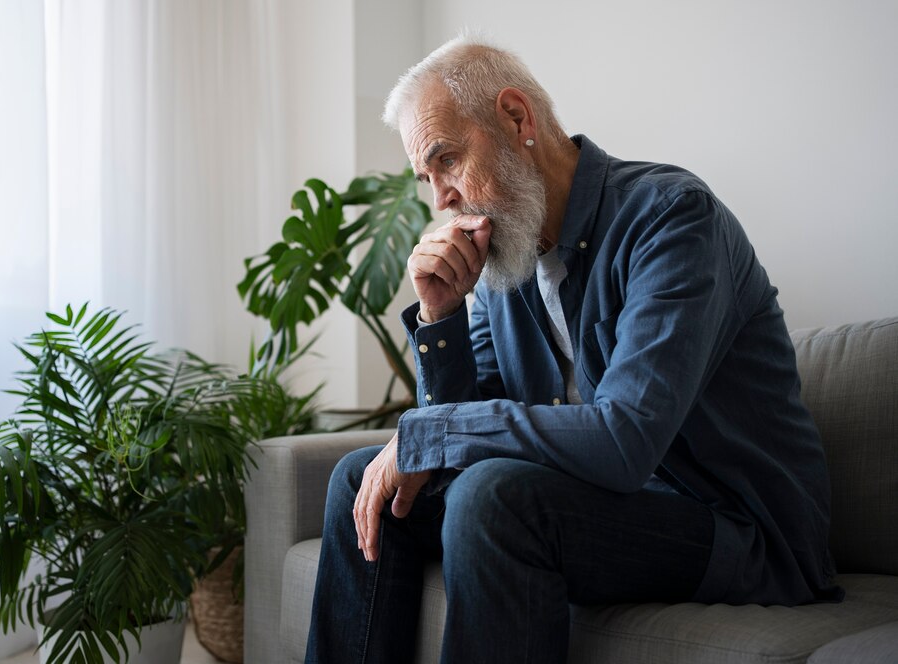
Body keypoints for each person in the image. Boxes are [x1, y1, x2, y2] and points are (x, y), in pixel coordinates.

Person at [305, 34, 840, 664]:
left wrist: (432, 431)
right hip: (607, 510)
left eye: (446, 160)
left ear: (516, 117)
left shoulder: (671, 218)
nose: (439, 200)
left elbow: (623, 441)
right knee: (357, 484)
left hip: (739, 532)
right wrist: (441, 316)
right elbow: (454, 446)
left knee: (493, 499)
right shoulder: (508, 263)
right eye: (427, 176)